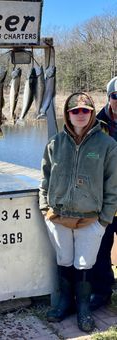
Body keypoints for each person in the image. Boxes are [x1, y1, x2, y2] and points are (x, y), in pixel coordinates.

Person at [39, 92, 117, 333]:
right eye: (75, 111)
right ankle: (64, 303)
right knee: (64, 261)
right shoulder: (55, 143)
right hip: (59, 217)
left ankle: (83, 308)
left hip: (91, 220)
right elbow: (45, 178)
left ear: (93, 113)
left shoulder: (107, 145)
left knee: (85, 264)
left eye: (86, 110)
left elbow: (113, 186)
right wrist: (45, 208)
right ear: (68, 114)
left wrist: (104, 220)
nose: (80, 115)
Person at [90, 76, 117, 310]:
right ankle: (102, 292)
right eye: (116, 96)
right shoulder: (95, 125)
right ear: (108, 97)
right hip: (104, 201)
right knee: (101, 249)